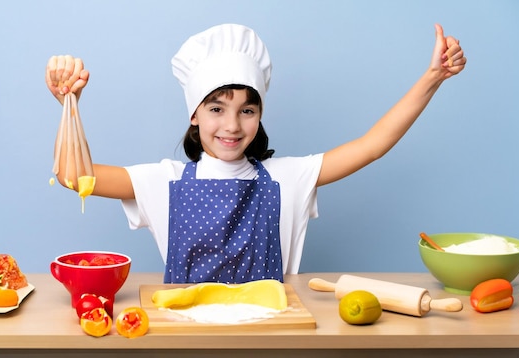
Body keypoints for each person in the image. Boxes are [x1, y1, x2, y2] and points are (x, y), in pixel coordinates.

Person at [45, 23, 466, 284]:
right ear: (193, 115)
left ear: (260, 115)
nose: (232, 125)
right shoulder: (164, 181)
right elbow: (72, 175)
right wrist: (68, 103)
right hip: (187, 340)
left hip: (270, 336)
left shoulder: (287, 177)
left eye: (247, 110)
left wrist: (434, 77)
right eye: (216, 109)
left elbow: (372, 146)